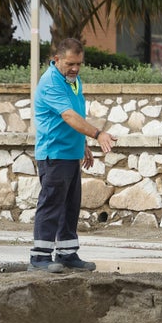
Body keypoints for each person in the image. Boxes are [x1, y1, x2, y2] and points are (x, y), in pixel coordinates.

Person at [29, 38, 117, 273]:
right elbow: (68, 115)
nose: (75, 68)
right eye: (70, 64)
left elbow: (74, 116)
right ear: (56, 59)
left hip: (69, 154)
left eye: (79, 64)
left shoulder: (73, 81)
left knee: (70, 207)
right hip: (54, 154)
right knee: (51, 205)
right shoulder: (51, 82)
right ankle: (39, 258)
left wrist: (82, 144)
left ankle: (67, 254)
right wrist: (97, 134)